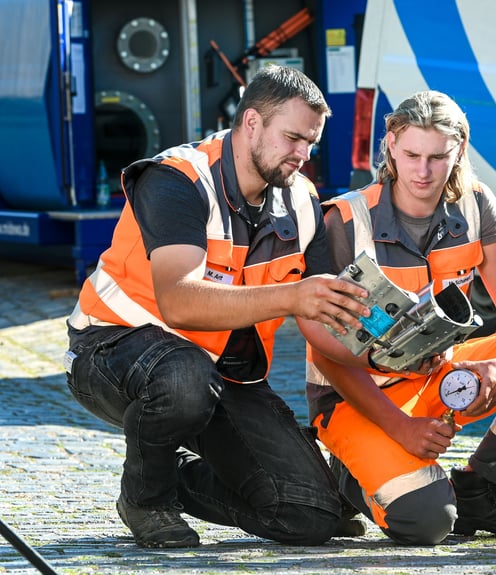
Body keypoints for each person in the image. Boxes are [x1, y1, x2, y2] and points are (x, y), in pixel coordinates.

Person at [64, 65, 372, 548]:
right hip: (111, 349)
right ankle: (146, 500)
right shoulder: (176, 179)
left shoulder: (304, 199)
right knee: (184, 377)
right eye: (292, 138)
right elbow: (179, 301)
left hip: (227, 373)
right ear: (251, 122)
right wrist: (293, 296)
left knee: (310, 517)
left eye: (310, 142)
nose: (302, 155)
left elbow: (321, 317)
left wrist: (386, 344)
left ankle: (173, 477)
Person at [298, 90, 496, 546]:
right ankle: (347, 477)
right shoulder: (343, 219)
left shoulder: (476, 202)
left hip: (438, 376)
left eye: (438, 157)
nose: (423, 171)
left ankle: (481, 489)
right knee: (427, 523)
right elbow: (325, 350)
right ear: (391, 143)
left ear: (460, 148)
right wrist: (399, 427)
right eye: (412, 154)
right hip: (355, 394)